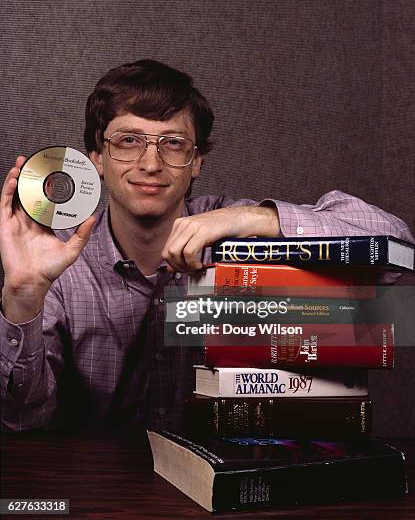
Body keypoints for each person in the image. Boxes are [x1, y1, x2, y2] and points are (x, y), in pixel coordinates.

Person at [0, 59, 413, 433]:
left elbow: (396, 249)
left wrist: (257, 218)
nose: (150, 164)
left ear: (197, 161)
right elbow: (24, 420)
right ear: (96, 160)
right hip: (103, 488)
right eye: (128, 141)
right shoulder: (58, 260)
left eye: (173, 143)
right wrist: (22, 296)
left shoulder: (241, 231)